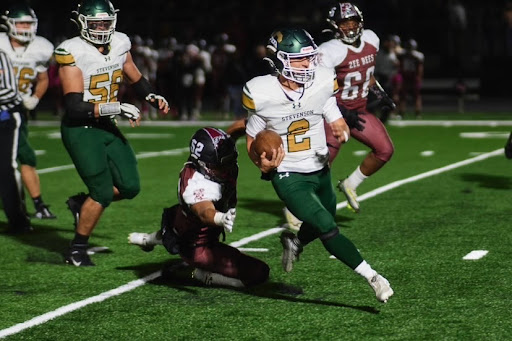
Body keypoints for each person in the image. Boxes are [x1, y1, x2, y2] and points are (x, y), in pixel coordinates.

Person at [244, 27, 393, 303]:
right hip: (289, 174)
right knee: (326, 224)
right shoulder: (261, 92)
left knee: (325, 218)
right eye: (299, 59)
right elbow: (253, 136)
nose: (308, 64)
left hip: (320, 165)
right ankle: (373, 277)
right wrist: (260, 163)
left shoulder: (322, 79)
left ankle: (295, 242)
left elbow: (324, 102)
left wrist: (336, 119)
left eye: (310, 58)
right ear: (279, 61)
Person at [54, 0, 170, 266]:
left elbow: (135, 76)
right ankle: (77, 248)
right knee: (103, 192)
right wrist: (116, 107)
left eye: (106, 22)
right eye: (95, 23)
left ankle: (81, 204)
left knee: (130, 186)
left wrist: (152, 96)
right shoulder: (71, 50)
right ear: (82, 23)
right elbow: (73, 107)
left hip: (105, 124)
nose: (101, 27)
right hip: (81, 129)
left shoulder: (120, 42)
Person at [128, 127, 269, 288]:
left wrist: (253, 123)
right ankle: (199, 275)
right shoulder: (198, 184)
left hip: (181, 221)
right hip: (198, 245)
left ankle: (148, 240)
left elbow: (231, 134)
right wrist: (220, 218)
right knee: (259, 273)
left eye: (231, 159)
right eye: (223, 163)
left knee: (175, 229)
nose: (229, 166)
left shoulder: (211, 160)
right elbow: (204, 212)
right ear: (204, 163)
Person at [319, 2, 395, 213]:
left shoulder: (371, 39)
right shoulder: (329, 51)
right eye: (344, 23)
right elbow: (318, 88)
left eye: (353, 22)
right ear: (334, 26)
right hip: (333, 115)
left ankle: (350, 184)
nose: (350, 27)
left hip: (359, 111)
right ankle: (296, 210)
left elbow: (367, 75)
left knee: (385, 150)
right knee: (320, 165)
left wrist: (381, 94)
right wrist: (341, 113)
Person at [0, 3, 56, 219]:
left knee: (24, 156)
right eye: (21, 23)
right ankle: (33, 205)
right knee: (20, 156)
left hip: (18, 109)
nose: (24, 27)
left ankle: (34, 204)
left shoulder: (41, 47)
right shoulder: (2, 43)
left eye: (28, 23)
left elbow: (42, 79)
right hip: (4, 104)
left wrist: (35, 98)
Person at [0, 48, 32, 234]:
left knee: (5, 170)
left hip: (4, 119)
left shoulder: (1, 56)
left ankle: (19, 221)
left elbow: (11, 92)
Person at [396, 38, 424, 119]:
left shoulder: (418, 56)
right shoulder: (402, 54)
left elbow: (420, 67)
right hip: (405, 75)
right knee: (403, 95)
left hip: (414, 75)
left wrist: (419, 77)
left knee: (416, 96)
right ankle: (401, 112)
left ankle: (418, 113)